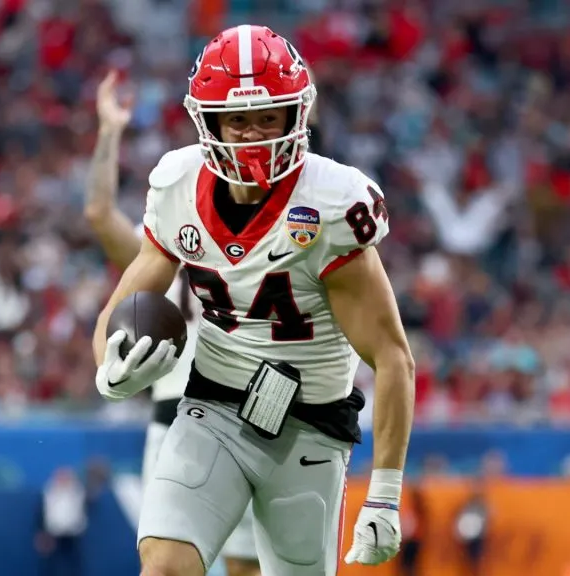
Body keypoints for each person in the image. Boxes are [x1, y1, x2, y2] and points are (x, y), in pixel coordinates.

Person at [92, 24, 415, 576]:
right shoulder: (177, 184)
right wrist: (107, 368)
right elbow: (125, 301)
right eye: (238, 119)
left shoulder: (333, 203)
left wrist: (385, 491)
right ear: (208, 122)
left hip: (310, 429)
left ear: (297, 116)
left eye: (269, 117)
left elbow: (392, 357)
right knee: (164, 566)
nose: (253, 135)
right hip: (212, 407)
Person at [83, 70, 262, 576]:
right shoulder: (164, 243)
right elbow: (99, 212)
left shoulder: (272, 229)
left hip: (242, 412)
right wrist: (110, 130)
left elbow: (97, 212)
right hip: (185, 414)